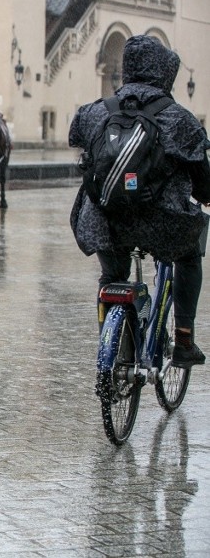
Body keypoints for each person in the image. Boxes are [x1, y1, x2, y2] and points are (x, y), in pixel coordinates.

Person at [69, 35, 210, 367]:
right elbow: (202, 174)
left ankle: (113, 345)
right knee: (189, 255)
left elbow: (78, 140)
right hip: (161, 223)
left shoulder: (94, 112)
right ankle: (185, 342)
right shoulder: (178, 118)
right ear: (164, 73)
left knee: (111, 277)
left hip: (104, 220)